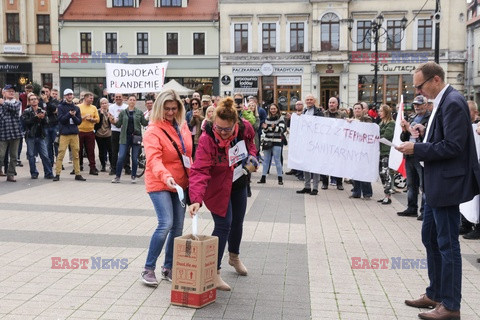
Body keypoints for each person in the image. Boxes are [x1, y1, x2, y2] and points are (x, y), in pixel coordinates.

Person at [397, 62, 480, 320]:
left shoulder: (453, 101)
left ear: (435, 80)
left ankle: (451, 305)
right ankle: (435, 293)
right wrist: (422, 134)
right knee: (430, 238)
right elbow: (442, 139)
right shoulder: (444, 101)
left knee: (447, 244)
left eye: (419, 86)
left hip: (446, 184)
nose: (418, 91)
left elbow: (454, 146)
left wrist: (417, 149)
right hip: (436, 184)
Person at [188, 97, 257, 291]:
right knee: (223, 225)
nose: (223, 133)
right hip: (217, 187)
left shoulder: (244, 128)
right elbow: (199, 170)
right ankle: (213, 272)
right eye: (219, 128)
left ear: (235, 124)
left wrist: (252, 158)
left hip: (238, 182)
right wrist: (196, 200)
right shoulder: (206, 139)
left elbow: (251, 145)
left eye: (227, 129)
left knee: (237, 222)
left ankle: (234, 257)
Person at [141, 89, 193, 286]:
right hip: (159, 181)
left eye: (174, 108)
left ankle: (168, 267)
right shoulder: (153, 130)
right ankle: (148, 268)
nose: (170, 113)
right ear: (158, 108)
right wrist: (166, 176)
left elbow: (188, 153)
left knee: (178, 228)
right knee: (166, 224)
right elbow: (154, 159)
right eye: (166, 109)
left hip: (180, 182)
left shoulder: (183, 125)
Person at [397, 95, 430, 218]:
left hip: (420, 154)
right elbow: (403, 137)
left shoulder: (430, 117)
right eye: (415, 104)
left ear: (426, 105)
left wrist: (423, 129)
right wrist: (405, 130)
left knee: (423, 184)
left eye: (419, 104)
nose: (417, 107)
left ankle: (424, 211)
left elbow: (430, 136)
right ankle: (411, 208)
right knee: (411, 184)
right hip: (409, 155)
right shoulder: (412, 117)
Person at [111, 95, 148, 184]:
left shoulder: (139, 112)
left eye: (133, 100)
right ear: (127, 101)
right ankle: (117, 176)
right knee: (121, 157)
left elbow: (144, 123)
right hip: (124, 137)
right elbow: (119, 124)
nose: (132, 101)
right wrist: (112, 120)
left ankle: (133, 176)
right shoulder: (123, 112)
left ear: (135, 102)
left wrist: (150, 117)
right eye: (130, 99)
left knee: (135, 158)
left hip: (135, 137)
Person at [53, 89, 86, 182]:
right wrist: (69, 114)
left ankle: (77, 173)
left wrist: (74, 116)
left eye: (71, 94)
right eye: (67, 95)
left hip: (74, 133)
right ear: (64, 96)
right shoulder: (60, 107)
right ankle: (57, 173)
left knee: (76, 154)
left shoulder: (76, 108)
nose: (69, 96)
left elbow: (79, 122)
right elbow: (61, 120)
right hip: (64, 133)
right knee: (61, 153)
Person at [21, 94, 54, 179]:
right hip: (30, 136)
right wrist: (36, 117)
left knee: (45, 155)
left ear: (38, 101)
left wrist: (42, 118)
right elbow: (25, 122)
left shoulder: (42, 111)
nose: (34, 100)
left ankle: (48, 173)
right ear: (29, 101)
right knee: (31, 156)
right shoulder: (26, 111)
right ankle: (34, 173)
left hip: (41, 136)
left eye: (35, 99)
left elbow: (47, 123)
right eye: (32, 99)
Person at [297, 94, 324, 195]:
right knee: (305, 165)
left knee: (315, 165)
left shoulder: (319, 112)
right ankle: (307, 186)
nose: (309, 101)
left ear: (314, 101)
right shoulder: (303, 112)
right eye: (307, 99)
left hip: (315, 143)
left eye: (311, 100)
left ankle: (315, 188)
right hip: (305, 142)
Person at [348, 102, 373, 199]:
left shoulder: (367, 119)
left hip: (364, 150)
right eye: (355, 108)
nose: (357, 110)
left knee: (364, 172)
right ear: (353, 110)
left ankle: (367, 193)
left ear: (362, 110)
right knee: (355, 171)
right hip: (354, 149)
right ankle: (356, 192)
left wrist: (354, 123)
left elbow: (369, 128)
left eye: (359, 108)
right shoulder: (350, 120)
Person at [321, 97, 347, 190]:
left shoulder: (342, 114)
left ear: (337, 104)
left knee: (338, 163)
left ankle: (339, 183)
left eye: (333, 102)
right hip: (326, 143)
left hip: (338, 143)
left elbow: (346, 126)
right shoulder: (323, 114)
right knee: (325, 163)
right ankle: (325, 183)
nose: (331, 104)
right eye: (330, 102)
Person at [257, 103, 285, 185]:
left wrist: (274, 128)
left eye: (274, 108)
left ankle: (280, 178)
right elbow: (265, 132)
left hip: (277, 142)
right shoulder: (267, 118)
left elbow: (281, 130)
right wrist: (265, 128)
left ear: (277, 109)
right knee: (266, 160)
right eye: (271, 109)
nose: (273, 110)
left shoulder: (281, 118)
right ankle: (263, 177)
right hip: (267, 141)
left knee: (277, 160)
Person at [0, 85, 23, 182]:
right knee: (1, 155)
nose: (11, 92)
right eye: (9, 91)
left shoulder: (17, 103)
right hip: (3, 133)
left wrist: (3, 103)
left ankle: (11, 174)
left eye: (13, 91)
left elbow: (14, 109)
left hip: (15, 133)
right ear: (3, 93)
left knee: (14, 156)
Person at [77, 92, 100, 175]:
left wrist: (92, 120)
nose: (92, 100)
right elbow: (75, 118)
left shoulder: (94, 108)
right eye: (90, 98)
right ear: (85, 98)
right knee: (78, 150)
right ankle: (77, 167)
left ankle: (92, 168)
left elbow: (97, 119)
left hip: (90, 131)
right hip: (79, 131)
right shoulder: (78, 107)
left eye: (92, 98)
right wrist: (82, 118)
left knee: (91, 150)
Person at [377, 104, 395, 204]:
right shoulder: (381, 123)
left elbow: (387, 135)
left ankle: (388, 196)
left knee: (386, 173)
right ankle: (385, 194)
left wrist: (377, 136)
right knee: (382, 174)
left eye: (381, 111)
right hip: (380, 151)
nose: (379, 113)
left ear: (386, 112)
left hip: (387, 151)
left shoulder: (391, 123)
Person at [109, 93, 128, 175]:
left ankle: (127, 168)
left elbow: (126, 119)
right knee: (114, 151)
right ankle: (114, 168)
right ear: (114, 98)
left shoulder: (126, 107)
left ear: (123, 98)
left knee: (126, 151)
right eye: (116, 97)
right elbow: (111, 119)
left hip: (124, 131)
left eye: (120, 97)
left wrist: (117, 120)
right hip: (114, 131)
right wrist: (117, 121)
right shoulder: (111, 107)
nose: (118, 98)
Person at [94, 98, 113, 172]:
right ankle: (103, 165)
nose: (104, 105)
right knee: (101, 151)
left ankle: (112, 165)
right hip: (99, 134)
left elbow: (111, 122)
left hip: (108, 133)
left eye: (105, 103)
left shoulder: (110, 111)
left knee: (110, 150)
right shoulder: (98, 112)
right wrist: (101, 115)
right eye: (102, 103)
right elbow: (97, 123)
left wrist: (110, 117)